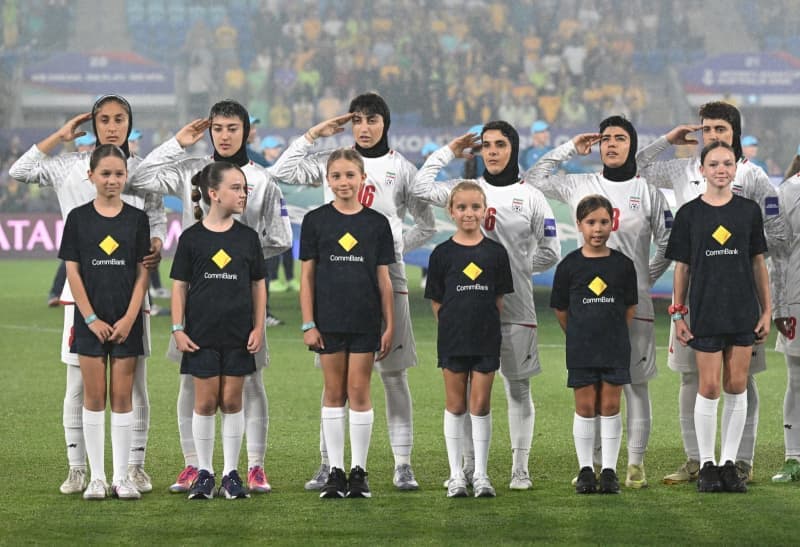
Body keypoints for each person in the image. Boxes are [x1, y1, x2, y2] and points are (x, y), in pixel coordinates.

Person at [273, 93, 435, 491]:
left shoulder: (402, 167)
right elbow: (282, 170)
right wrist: (315, 134)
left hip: (386, 275)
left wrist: (392, 249)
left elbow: (428, 224)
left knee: (393, 374)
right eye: (357, 120)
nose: (364, 127)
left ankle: (402, 464)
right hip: (334, 281)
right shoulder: (333, 160)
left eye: (372, 120)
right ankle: (328, 464)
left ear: (385, 124)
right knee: (334, 381)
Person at [9, 94, 168, 496]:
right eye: (104, 119)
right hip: (82, 295)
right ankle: (79, 467)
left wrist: (157, 242)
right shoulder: (69, 165)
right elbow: (20, 170)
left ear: (130, 122)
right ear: (93, 124)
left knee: (135, 385)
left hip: (130, 291)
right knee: (78, 384)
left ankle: (133, 467)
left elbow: (156, 217)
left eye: (120, 119)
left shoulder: (143, 170)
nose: (112, 126)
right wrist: (59, 135)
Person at [133, 99, 292, 494]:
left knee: (251, 382)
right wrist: (177, 143)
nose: (224, 135)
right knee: (191, 383)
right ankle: (194, 465)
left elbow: (281, 238)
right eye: (217, 128)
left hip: (241, 300)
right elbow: (140, 178)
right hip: (196, 298)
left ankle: (254, 466)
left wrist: (239, 259)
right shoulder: (191, 169)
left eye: (232, 128)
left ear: (246, 131)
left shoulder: (263, 180)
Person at [636, 101, 788, 484]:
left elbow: (774, 236)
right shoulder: (683, 172)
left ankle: (739, 462)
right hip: (697, 302)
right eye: (706, 129)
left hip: (740, 301)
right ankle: (698, 461)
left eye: (720, 129)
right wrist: (668, 140)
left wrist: (740, 256)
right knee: (694, 381)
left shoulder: (753, 180)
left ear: (735, 134)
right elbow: (639, 167)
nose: (712, 136)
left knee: (741, 382)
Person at [414, 120, 561, 490]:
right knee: (466, 395)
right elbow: (420, 187)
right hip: (469, 313)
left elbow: (551, 251)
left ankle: (519, 469)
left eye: (500, 145)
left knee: (518, 388)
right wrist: (449, 151)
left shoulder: (532, 197)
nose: (493, 152)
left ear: (513, 148)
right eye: (487, 145)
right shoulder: (466, 190)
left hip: (516, 308)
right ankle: (465, 469)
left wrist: (515, 270)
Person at [527, 116, 672, 489]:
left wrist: (645, 278)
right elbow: (534, 178)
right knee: (590, 389)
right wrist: (569, 148)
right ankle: (591, 466)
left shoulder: (648, 191)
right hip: (589, 308)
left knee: (635, 385)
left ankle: (634, 464)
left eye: (620, 138)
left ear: (631, 145)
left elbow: (668, 243)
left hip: (633, 305)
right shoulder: (581, 184)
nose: (611, 144)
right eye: (605, 138)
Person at [665, 141, 771, 493]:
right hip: (705, 310)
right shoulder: (689, 214)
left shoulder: (748, 211)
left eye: (727, 163)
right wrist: (678, 314)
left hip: (742, 310)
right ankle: (707, 464)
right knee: (709, 387)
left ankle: (728, 464)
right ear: (702, 170)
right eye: (714, 164)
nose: (721, 169)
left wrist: (766, 310)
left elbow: (758, 263)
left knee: (737, 385)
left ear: (735, 168)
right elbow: (682, 268)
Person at [299, 149, 395, 498]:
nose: (343, 182)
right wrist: (308, 323)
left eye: (350, 175)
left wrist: (389, 324)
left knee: (359, 391)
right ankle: (335, 471)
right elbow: (307, 277)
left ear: (362, 178)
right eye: (336, 176)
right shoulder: (315, 221)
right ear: (328, 180)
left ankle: (359, 472)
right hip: (328, 320)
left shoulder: (377, 223)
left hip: (365, 320)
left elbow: (384, 279)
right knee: (334, 392)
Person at [58, 144, 151, 500]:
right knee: (94, 397)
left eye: (119, 174)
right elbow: (73, 272)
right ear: (91, 176)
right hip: (90, 322)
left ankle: (121, 477)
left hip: (127, 321)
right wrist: (91, 318)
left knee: (123, 397)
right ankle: (96, 478)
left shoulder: (137, 219)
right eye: (105, 173)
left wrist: (129, 318)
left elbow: (143, 273)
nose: (112, 180)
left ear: (126, 176)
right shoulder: (78, 219)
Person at [171, 162, 267, 500]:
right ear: (213, 193)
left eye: (244, 188)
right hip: (201, 335)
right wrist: (178, 328)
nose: (243, 194)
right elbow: (179, 286)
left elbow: (258, 285)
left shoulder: (248, 238)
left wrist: (258, 327)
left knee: (231, 401)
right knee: (206, 401)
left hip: (238, 335)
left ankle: (230, 473)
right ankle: (204, 472)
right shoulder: (191, 238)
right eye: (235, 188)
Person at [425, 181, 514, 498]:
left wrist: (482, 325)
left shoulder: (495, 253)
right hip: (453, 340)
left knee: (480, 405)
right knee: (455, 405)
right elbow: (438, 302)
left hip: (486, 339)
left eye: (475, 207)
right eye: (461, 207)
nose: (468, 213)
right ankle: (455, 475)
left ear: (485, 210)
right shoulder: (442, 254)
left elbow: (498, 300)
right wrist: (454, 326)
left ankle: (481, 474)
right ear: (451, 211)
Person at [551, 195, 638, 494]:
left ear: (612, 223)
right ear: (579, 225)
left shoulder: (623, 265)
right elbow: (561, 309)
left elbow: (629, 307)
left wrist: (613, 331)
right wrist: (578, 333)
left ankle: (610, 470)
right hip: (582, 349)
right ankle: (586, 469)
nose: (597, 229)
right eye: (590, 222)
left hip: (614, 347)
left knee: (611, 406)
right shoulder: (569, 266)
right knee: (585, 407)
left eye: (603, 222)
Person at [771, 151, 800, 482]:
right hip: (796, 299)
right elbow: (776, 254)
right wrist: (779, 305)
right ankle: (794, 457)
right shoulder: (787, 193)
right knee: (797, 380)